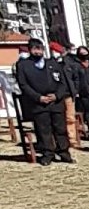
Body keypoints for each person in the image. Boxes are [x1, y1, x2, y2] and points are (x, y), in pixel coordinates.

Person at [15, 37, 74, 165]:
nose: (38, 52)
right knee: (43, 130)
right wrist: (38, 97)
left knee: (60, 129)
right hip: (38, 104)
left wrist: (57, 96)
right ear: (30, 50)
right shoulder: (23, 66)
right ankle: (48, 154)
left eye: (40, 49)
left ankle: (64, 152)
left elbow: (63, 83)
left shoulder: (53, 63)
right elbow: (23, 85)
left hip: (56, 103)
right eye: (35, 49)